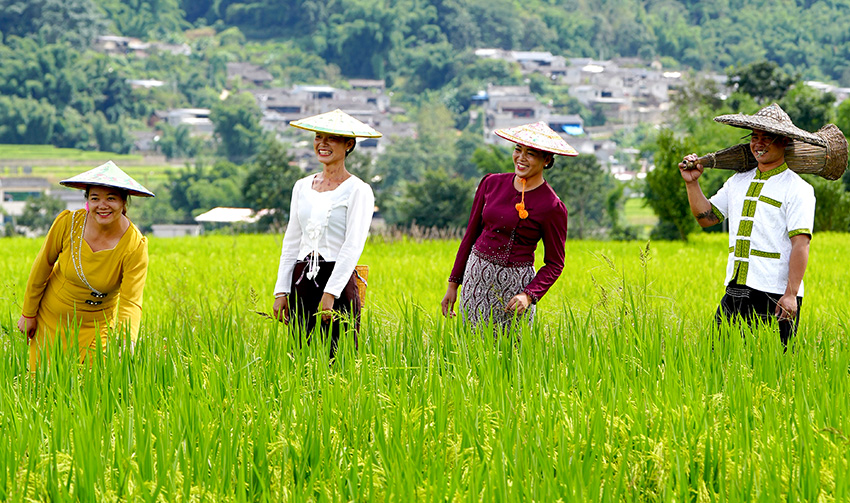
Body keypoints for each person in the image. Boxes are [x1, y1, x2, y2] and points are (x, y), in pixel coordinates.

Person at [678, 103, 817, 346]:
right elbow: (707, 218)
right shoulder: (738, 181)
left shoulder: (798, 189)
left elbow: (800, 245)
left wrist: (791, 294)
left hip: (775, 295)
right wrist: (692, 184)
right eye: (754, 137)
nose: (758, 144)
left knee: (774, 366)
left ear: (784, 141)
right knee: (717, 358)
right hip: (735, 288)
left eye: (767, 138)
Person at [18, 161, 154, 369]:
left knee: (94, 390)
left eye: (111, 198)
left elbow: (131, 301)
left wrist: (127, 343)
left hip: (97, 327)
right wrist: (28, 313)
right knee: (42, 389)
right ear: (87, 201)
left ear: (123, 203)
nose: (103, 205)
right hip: (51, 320)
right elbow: (42, 266)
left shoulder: (134, 245)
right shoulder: (68, 224)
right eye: (95, 198)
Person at [441, 122, 576, 327]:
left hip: (515, 292)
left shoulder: (552, 207)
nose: (521, 158)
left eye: (530, 153)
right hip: (475, 280)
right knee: (469, 350)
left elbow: (555, 263)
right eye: (517, 150)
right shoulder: (491, 183)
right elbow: (470, 236)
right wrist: (453, 284)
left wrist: (529, 295)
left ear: (546, 160)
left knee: (512, 352)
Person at [272, 109, 378, 356]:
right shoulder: (302, 187)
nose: (323, 144)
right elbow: (292, 241)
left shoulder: (358, 190)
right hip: (301, 281)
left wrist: (330, 294)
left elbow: (353, 246)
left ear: (348, 145)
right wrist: (281, 291)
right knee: (301, 360)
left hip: (337, 282)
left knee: (338, 360)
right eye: (319, 137)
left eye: (332, 138)